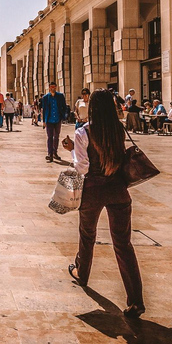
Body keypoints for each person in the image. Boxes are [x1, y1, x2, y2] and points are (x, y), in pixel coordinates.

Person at [62, 88, 145, 319]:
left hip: (93, 190)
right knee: (123, 244)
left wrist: (72, 151)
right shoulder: (118, 128)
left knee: (87, 234)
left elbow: (82, 167)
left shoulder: (83, 132)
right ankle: (136, 299)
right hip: (118, 189)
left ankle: (83, 273)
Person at [41, 82, 67, 162]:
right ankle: (50, 154)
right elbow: (44, 109)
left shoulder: (60, 96)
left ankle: (55, 152)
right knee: (50, 137)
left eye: (54, 87)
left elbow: (64, 106)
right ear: (49, 88)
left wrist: (64, 115)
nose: (53, 88)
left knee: (56, 136)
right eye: (51, 87)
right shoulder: (45, 97)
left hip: (57, 119)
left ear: (56, 87)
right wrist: (44, 121)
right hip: (49, 120)